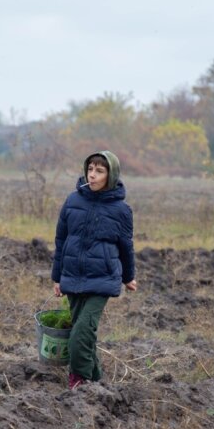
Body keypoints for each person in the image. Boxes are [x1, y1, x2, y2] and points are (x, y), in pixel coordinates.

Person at [51, 150, 137, 390]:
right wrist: (57, 277)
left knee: (80, 333)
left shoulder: (121, 210)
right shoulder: (72, 200)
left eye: (99, 171)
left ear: (110, 175)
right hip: (72, 277)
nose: (93, 175)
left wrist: (129, 276)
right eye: (90, 169)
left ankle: (78, 378)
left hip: (102, 279)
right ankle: (97, 384)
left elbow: (126, 247)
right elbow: (61, 240)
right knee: (85, 335)